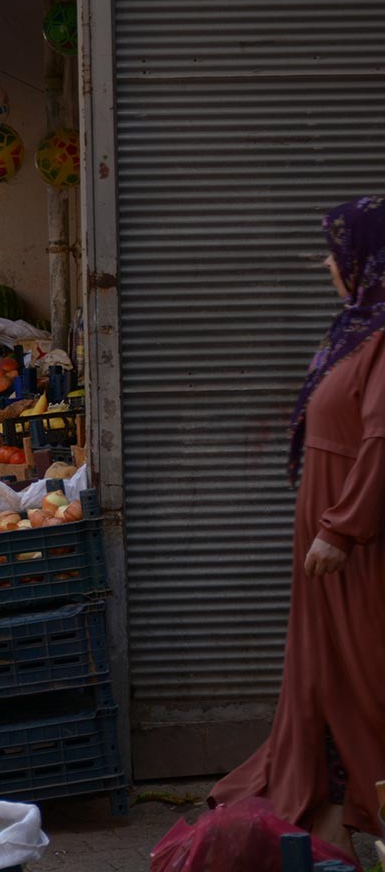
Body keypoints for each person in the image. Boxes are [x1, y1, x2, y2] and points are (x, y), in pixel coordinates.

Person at [210, 196, 385, 847]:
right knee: (324, 701)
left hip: (358, 559)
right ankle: (330, 848)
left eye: (338, 251)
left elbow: (382, 441)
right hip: (329, 560)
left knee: (356, 695)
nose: (328, 264)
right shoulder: (355, 331)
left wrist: (342, 527)